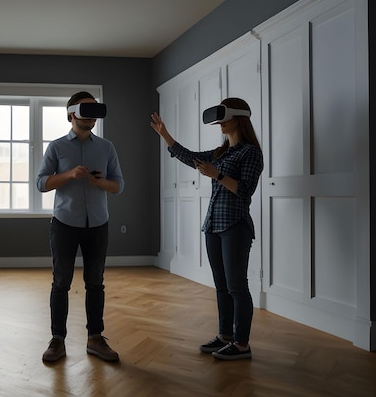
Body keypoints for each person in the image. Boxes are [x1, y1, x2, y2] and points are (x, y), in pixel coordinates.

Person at [150, 97, 263, 360]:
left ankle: (242, 344)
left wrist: (218, 175)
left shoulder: (251, 152)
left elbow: (245, 191)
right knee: (221, 285)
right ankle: (225, 336)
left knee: (237, 287)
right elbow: (190, 157)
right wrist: (164, 134)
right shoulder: (221, 152)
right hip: (213, 225)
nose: (220, 124)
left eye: (224, 119)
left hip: (235, 226)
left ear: (238, 119)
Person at [36, 91, 124, 363]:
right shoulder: (57, 147)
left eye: (96, 112)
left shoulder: (107, 148)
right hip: (64, 224)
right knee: (61, 282)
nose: (93, 118)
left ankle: (95, 339)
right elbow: (41, 183)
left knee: (95, 283)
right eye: (87, 111)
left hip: (98, 224)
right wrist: (68, 175)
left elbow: (118, 186)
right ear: (72, 113)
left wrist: (100, 183)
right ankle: (57, 340)